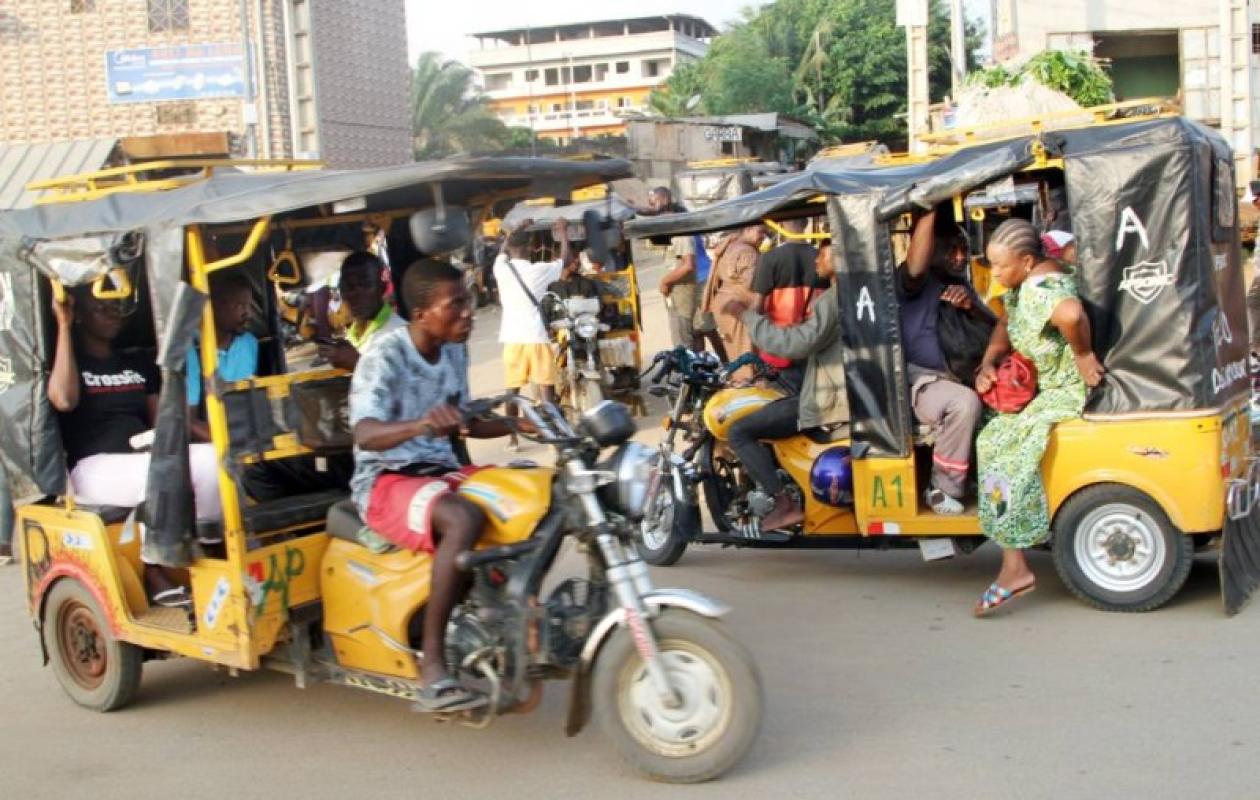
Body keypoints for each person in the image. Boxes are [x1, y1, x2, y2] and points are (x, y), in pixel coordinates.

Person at [349, 259, 524, 711]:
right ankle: (432, 664)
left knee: (529, 492)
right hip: (386, 479)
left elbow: (465, 423)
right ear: (421, 313)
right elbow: (365, 433)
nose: (469, 313)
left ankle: (501, 618)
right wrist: (420, 425)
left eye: (469, 301)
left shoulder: (454, 349)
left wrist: (522, 423)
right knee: (462, 518)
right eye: (457, 304)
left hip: (438, 471)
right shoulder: (384, 355)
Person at [47, 285, 221, 605]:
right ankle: (153, 569)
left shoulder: (137, 363)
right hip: (92, 467)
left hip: (141, 455)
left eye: (117, 306)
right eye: (102, 308)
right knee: (156, 474)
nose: (113, 313)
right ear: (80, 315)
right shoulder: (74, 364)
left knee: (212, 460)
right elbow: (63, 399)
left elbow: (159, 423)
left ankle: (212, 544)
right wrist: (63, 325)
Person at [973, 218, 1105, 616]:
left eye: (1000, 266)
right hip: (1047, 390)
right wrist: (989, 361)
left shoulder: (1044, 288)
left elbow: (1071, 314)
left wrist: (1083, 354)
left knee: (996, 443)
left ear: (1027, 261)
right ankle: (1014, 560)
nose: (995, 273)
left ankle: (1014, 567)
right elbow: (1006, 321)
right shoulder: (1025, 285)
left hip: (1067, 391)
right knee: (993, 432)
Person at [720, 244, 846, 532]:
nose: (816, 259)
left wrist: (745, 316)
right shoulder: (845, 294)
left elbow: (795, 343)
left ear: (841, 257)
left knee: (739, 431)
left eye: (823, 253)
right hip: (819, 383)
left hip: (829, 399)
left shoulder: (834, 298)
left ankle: (783, 504)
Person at [900, 209, 990, 515]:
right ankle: (941, 489)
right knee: (964, 403)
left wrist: (970, 307)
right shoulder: (912, 283)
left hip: (960, 377)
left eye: (963, 249)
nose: (960, 257)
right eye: (951, 250)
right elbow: (915, 266)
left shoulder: (960, 284)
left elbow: (994, 328)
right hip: (923, 382)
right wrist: (928, 209)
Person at [493, 217, 571, 450]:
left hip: (512, 340)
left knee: (512, 392)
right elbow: (565, 261)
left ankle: (513, 438)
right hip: (535, 338)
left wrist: (517, 229)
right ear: (529, 248)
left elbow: (502, 250)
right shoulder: (538, 270)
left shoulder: (500, 268)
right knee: (546, 391)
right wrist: (563, 232)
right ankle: (553, 437)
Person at [187, 270, 260, 443]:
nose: (249, 314)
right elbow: (188, 422)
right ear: (214, 306)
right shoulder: (189, 351)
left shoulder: (249, 343)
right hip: (211, 444)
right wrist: (229, 443)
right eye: (240, 306)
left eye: (249, 306)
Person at [751, 218, 825, 386]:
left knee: (779, 397)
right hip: (812, 343)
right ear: (806, 224)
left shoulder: (770, 258)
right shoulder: (822, 259)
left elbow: (757, 307)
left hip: (778, 346)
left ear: (781, 225)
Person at [316, 251, 406, 371]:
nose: (355, 293)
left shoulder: (400, 334)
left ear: (382, 287)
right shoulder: (353, 334)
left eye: (365, 284)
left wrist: (357, 362)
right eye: (348, 286)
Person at [699, 224, 767, 365]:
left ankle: (738, 376)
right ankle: (745, 377)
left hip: (724, 303)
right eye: (760, 232)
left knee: (735, 353)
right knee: (746, 353)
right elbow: (751, 284)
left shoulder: (729, 245)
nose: (763, 237)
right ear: (748, 229)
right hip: (739, 305)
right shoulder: (748, 252)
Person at [647, 187, 703, 351]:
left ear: (665, 201)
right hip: (674, 293)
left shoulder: (681, 232)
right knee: (681, 338)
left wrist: (665, 282)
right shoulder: (669, 230)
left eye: (654, 204)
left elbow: (688, 265)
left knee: (684, 340)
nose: (652, 209)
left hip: (682, 293)